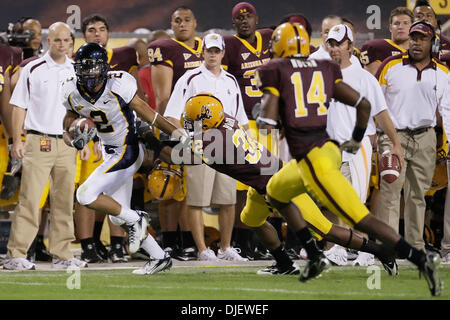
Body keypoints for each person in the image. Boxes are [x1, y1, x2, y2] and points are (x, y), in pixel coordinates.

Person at [256, 22, 442, 295]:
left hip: (315, 158)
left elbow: (266, 123)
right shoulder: (326, 69)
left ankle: (415, 257)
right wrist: (356, 136)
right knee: (275, 193)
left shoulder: (277, 71)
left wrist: (264, 109)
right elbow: (364, 106)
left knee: (359, 217)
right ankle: (316, 254)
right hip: (322, 151)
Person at [61, 42, 185, 274]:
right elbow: (66, 124)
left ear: (104, 68)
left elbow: (149, 113)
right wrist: (73, 138)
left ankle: (138, 219)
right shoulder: (70, 91)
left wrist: (175, 133)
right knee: (119, 217)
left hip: (128, 149)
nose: (88, 74)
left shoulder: (119, 83)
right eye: (84, 68)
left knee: (85, 194)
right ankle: (159, 257)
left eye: (93, 68)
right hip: (109, 152)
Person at [3, 22, 84, 271]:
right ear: (49, 41)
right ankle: (16, 254)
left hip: (68, 142)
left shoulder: (77, 71)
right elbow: (18, 106)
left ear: (72, 43)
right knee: (30, 200)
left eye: (67, 41)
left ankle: (62, 252)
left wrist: (86, 142)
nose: (62, 45)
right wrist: (17, 139)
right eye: (57, 40)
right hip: (39, 140)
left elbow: (83, 110)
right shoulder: (33, 68)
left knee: (63, 201)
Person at [164, 33, 249, 261]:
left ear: (222, 53)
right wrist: (185, 139)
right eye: (208, 50)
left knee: (228, 199)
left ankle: (225, 247)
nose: (212, 55)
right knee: (197, 200)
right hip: (200, 144)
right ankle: (202, 249)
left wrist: (243, 143)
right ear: (202, 52)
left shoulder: (230, 80)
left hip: (227, 145)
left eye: (216, 50)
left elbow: (241, 119)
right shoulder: (190, 78)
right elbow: (171, 115)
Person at [325, 24, 404, 266]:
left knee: (356, 202)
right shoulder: (323, 74)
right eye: (331, 43)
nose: (335, 48)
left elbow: (381, 113)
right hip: (330, 147)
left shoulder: (364, 77)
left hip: (356, 145)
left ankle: (368, 250)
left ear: (351, 45)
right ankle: (340, 248)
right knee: (337, 199)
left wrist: (396, 143)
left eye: (340, 43)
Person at [76, 14, 145, 263]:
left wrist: (143, 127)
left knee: (117, 189)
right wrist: (82, 135)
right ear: (84, 36)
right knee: (88, 189)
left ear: (109, 33)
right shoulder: (80, 61)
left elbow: (139, 96)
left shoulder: (125, 56)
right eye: (92, 30)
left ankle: (117, 245)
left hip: (122, 135)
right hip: (92, 135)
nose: (97, 34)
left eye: (102, 29)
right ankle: (89, 244)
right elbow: (74, 110)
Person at [376, 21, 448, 253]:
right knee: (390, 191)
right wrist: (374, 134)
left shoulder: (443, 73)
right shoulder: (391, 65)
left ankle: (415, 247)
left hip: (425, 136)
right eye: (413, 38)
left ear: (432, 42)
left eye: (422, 39)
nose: (416, 43)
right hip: (393, 135)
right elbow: (376, 103)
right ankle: (388, 246)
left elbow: (447, 111)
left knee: (417, 195)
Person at [148, 6, 203, 260]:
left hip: (204, 127)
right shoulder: (165, 49)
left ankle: (190, 241)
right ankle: (170, 242)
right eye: (177, 20)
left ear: (195, 23)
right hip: (177, 125)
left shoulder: (207, 47)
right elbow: (163, 98)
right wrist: (165, 134)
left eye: (187, 20)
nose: (182, 24)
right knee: (169, 183)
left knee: (193, 189)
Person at [222, 1, 273, 260]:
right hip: (246, 124)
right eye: (239, 18)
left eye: (248, 16)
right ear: (234, 23)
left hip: (271, 123)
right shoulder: (230, 45)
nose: (244, 21)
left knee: (272, 182)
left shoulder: (269, 38)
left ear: (256, 19)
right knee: (245, 186)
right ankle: (243, 241)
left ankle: (267, 241)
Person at [360, 7, 413, 76]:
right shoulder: (378, 48)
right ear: (390, 28)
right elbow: (372, 82)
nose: (400, 27)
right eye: (396, 23)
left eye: (405, 23)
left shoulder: (420, 53)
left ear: (412, 27)